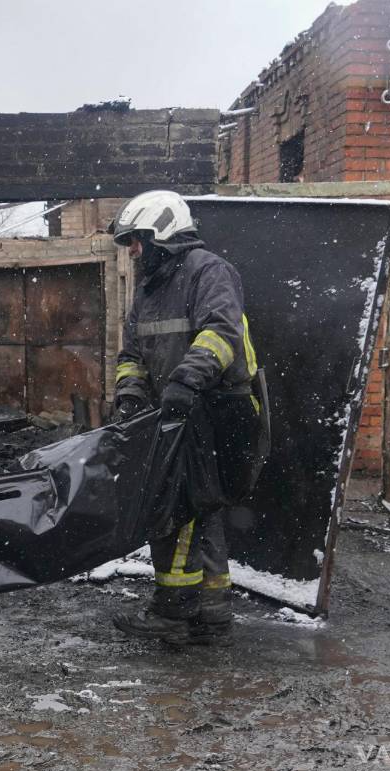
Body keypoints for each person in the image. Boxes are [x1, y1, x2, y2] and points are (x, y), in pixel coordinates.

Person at [107, 190, 265, 647]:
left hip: (219, 409)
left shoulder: (209, 271)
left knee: (176, 509)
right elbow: (133, 352)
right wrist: (132, 393)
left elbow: (221, 332)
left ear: (161, 231)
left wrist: (185, 381)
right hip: (176, 410)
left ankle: (173, 611)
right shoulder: (150, 289)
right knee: (202, 508)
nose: (134, 251)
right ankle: (211, 613)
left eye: (136, 241)